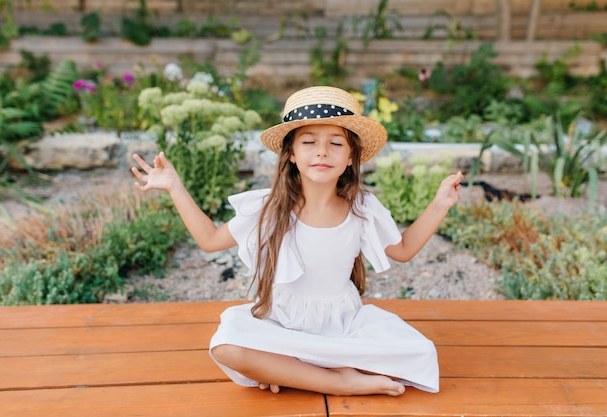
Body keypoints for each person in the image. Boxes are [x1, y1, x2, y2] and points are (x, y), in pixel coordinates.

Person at [131, 85, 463, 397]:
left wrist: (439, 204)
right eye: (308, 142)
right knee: (227, 346)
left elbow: (402, 250)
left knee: (421, 352)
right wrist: (175, 187)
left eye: (336, 143)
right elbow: (209, 240)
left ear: (351, 157)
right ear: (290, 153)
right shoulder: (268, 207)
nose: (322, 152)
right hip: (281, 325)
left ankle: (292, 371)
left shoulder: (362, 209)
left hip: (343, 324)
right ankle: (338, 382)